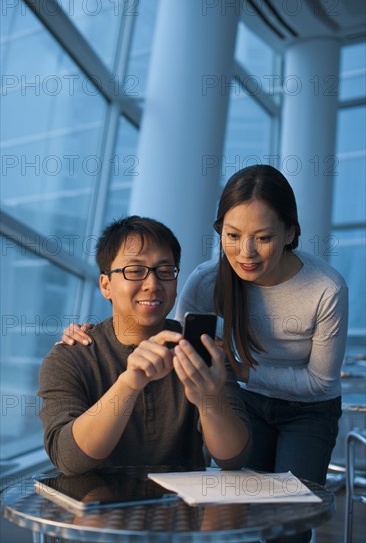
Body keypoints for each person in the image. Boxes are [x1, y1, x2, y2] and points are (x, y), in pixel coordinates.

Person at [62, 166, 348, 543]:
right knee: (243, 513)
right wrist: (91, 333)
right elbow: (169, 337)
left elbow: (320, 382)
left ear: (290, 233)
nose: (245, 252)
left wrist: (241, 370)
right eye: (232, 236)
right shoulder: (207, 280)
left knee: (289, 523)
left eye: (262, 237)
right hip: (247, 404)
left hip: (308, 411)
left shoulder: (325, 288)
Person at [39, 216, 250, 476]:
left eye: (165, 271)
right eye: (135, 271)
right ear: (106, 285)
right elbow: (68, 459)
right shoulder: (70, 357)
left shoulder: (201, 352)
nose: (152, 284)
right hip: (96, 510)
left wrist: (210, 399)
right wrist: (129, 384)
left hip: (179, 510)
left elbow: (233, 458)